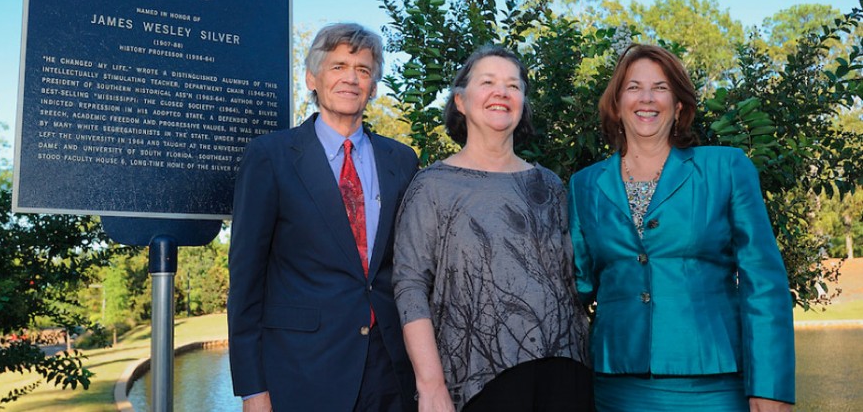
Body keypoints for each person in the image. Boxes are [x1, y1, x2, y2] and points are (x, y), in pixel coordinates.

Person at [567, 44, 795, 411]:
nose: (646, 98)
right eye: (633, 87)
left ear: (679, 105)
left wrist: (771, 386)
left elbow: (764, 281)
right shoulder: (584, 186)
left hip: (713, 384)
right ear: (616, 103)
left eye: (660, 87)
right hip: (617, 387)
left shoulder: (726, 168)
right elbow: (576, 285)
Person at [227, 23, 418, 412]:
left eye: (363, 70)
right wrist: (252, 390)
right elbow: (246, 281)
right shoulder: (271, 156)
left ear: (374, 86)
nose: (351, 78)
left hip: (389, 371)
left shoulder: (401, 160)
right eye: (338, 66)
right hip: (302, 372)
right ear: (312, 78)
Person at [393, 45, 593, 412]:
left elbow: (571, 281)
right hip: (480, 379)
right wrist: (431, 385)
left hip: (566, 373)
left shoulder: (548, 184)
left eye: (513, 86)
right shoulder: (432, 186)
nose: (502, 92)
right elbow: (409, 286)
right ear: (461, 101)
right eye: (487, 82)